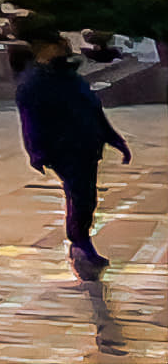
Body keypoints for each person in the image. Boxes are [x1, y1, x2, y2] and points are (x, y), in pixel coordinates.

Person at [15, 22, 133, 277]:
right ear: (44, 50)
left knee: (86, 196)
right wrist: (37, 152)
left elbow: (94, 110)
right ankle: (80, 244)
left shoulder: (70, 77)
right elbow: (30, 119)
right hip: (63, 149)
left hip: (87, 145)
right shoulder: (34, 82)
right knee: (80, 195)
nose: (64, 47)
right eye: (57, 44)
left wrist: (114, 139)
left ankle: (82, 243)